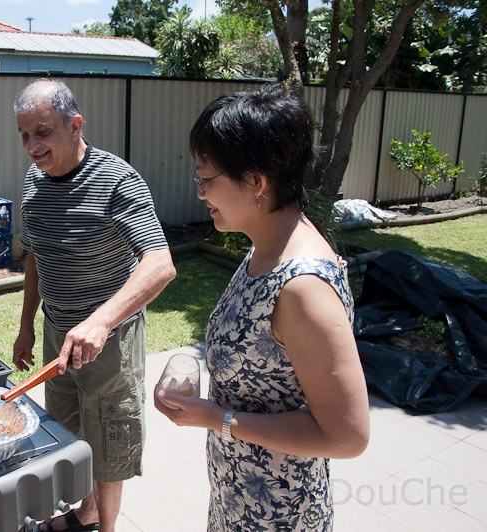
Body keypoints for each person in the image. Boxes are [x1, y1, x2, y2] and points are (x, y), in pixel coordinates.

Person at [155, 83, 370, 531]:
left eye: (206, 177)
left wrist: (218, 418)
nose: (200, 193)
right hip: (238, 497)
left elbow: (348, 436)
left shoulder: (303, 287)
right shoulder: (264, 250)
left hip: (278, 514)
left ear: (256, 181)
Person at [12, 79, 176, 532]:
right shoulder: (34, 181)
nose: (32, 146)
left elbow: (160, 264)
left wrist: (101, 322)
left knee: (108, 445)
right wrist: (27, 324)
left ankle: (106, 528)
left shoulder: (117, 180)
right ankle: (84, 514)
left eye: (42, 131)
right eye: (24, 134)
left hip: (110, 342)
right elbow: (35, 255)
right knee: (68, 435)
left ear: (75, 124)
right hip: (56, 333)